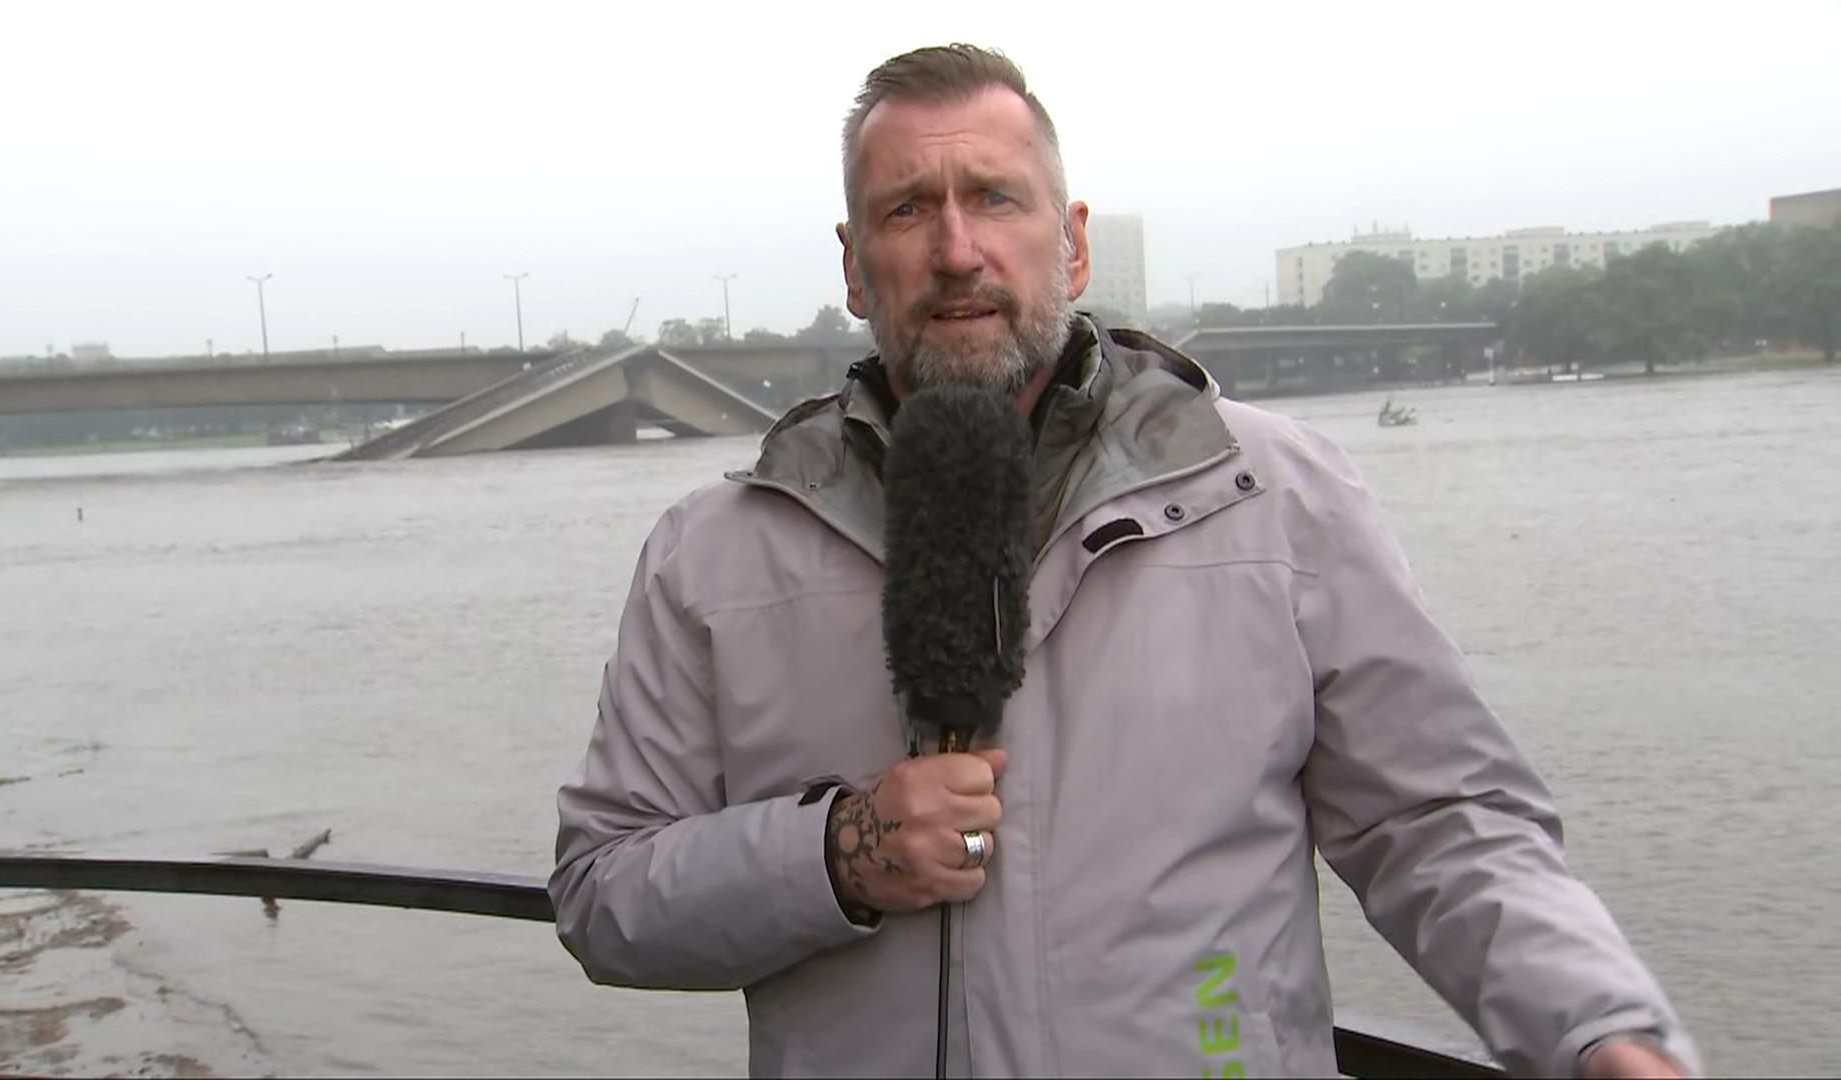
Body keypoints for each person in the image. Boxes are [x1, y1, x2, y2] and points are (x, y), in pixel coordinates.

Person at [550, 44, 1698, 1078]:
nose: (958, 250)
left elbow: (1442, 823)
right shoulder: (714, 554)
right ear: (854, 269)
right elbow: (603, 895)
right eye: (909, 210)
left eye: (995, 199)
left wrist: (1599, 1026)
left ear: (1074, 240)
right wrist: (836, 853)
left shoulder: (1277, 495)